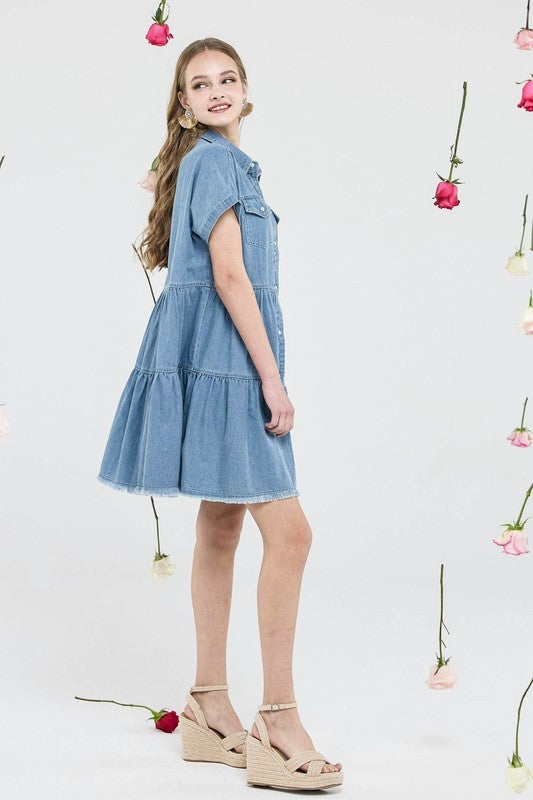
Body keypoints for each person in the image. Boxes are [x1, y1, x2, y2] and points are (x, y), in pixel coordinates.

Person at [96, 37, 343, 790]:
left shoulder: (204, 162)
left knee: (221, 522)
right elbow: (231, 274)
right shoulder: (218, 162)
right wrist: (272, 379)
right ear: (182, 102)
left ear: (244, 89)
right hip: (232, 365)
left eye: (225, 79)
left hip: (211, 357)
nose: (214, 91)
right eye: (197, 83)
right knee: (291, 532)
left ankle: (207, 703)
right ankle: (278, 714)